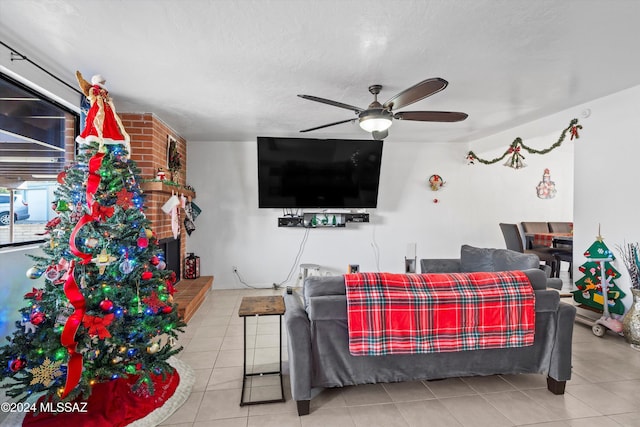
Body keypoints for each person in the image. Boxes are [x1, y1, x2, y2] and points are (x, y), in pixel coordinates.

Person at [76, 71, 131, 157]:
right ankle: (97, 136)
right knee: (98, 122)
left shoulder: (103, 90)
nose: (104, 83)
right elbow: (91, 96)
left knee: (109, 122)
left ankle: (107, 135)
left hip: (106, 109)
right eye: (102, 81)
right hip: (98, 110)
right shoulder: (94, 89)